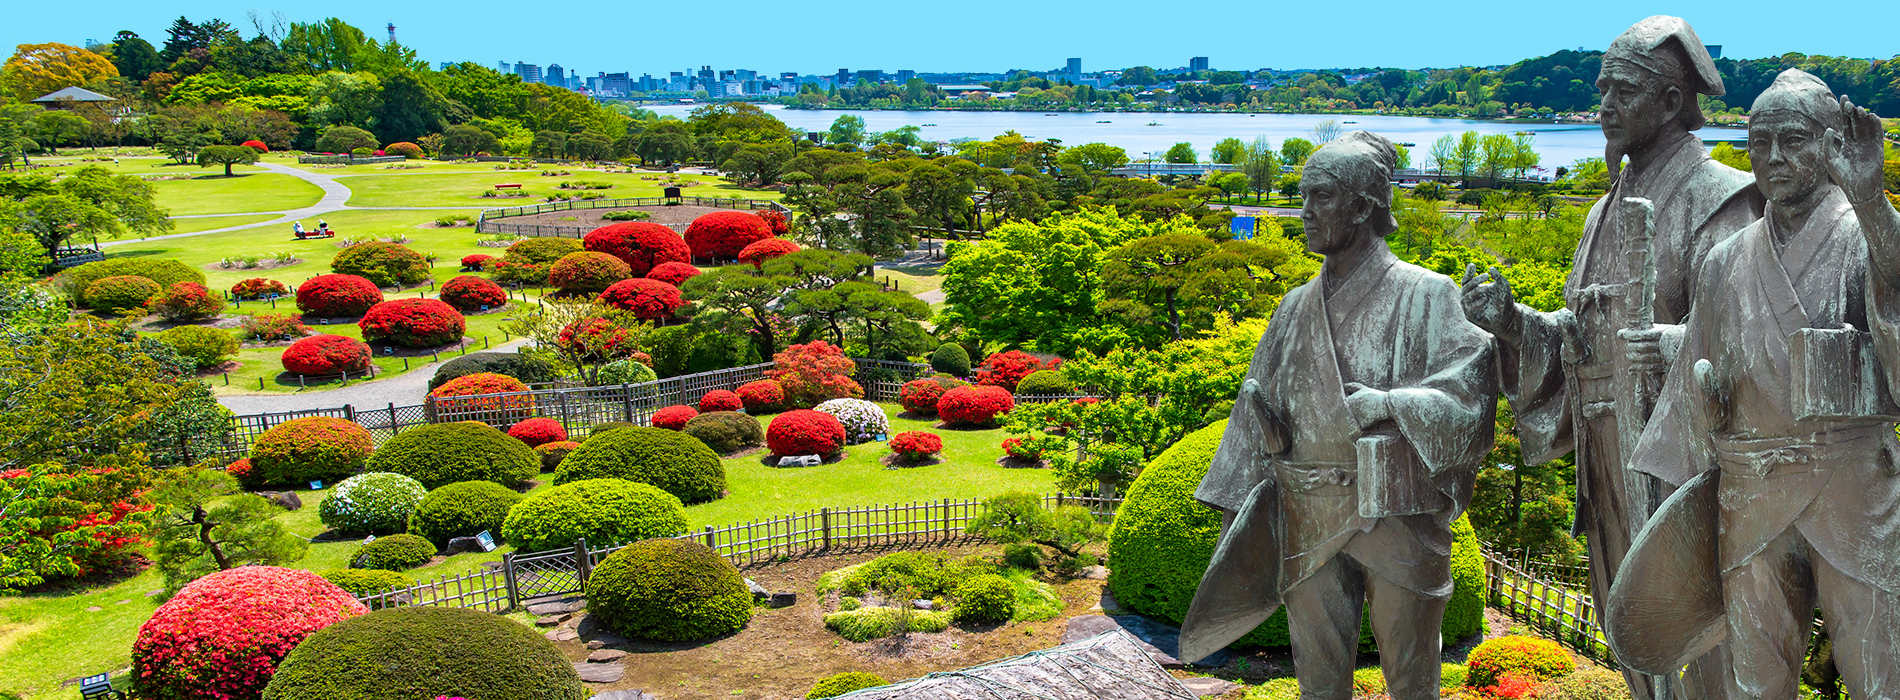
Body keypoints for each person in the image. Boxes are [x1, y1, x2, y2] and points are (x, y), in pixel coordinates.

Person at [1459, 17, 1761, 699]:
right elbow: (1579, 329)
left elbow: (1749, 330)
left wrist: (1678, 345)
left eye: (1622, 91)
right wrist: (1512, 323)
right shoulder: (1603, 210)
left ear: (1670, 102)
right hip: (1604, 445)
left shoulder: (1723, 198)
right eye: (1602, 89)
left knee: (1696, 627)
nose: (1604, 106)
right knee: (1625, 618)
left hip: (1679, 455)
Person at [1607, 70, 1900, 700]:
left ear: (1832, 144)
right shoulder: (1727, 260)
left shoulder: (1865, 237)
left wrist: (1874, 205)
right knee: (1755, 679)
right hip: (1749, 495)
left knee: (1879, 671)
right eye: (1757, 142)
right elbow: (1698, 376)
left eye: (1792, 140)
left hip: (1850, 488)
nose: (1772, 158)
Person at [1177, 131, 1497, 700]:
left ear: (1365, 204)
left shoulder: (1427, 294)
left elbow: (1471, 393)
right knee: (1317, 679)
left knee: (1412, 675)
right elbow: (1254, 415)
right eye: (1303, 196)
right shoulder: (1293, 306)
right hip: (1309, 513)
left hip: (1399, 514)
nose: (1304, 212)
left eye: (1319, 196)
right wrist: (1234, 519)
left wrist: (1391, 403)